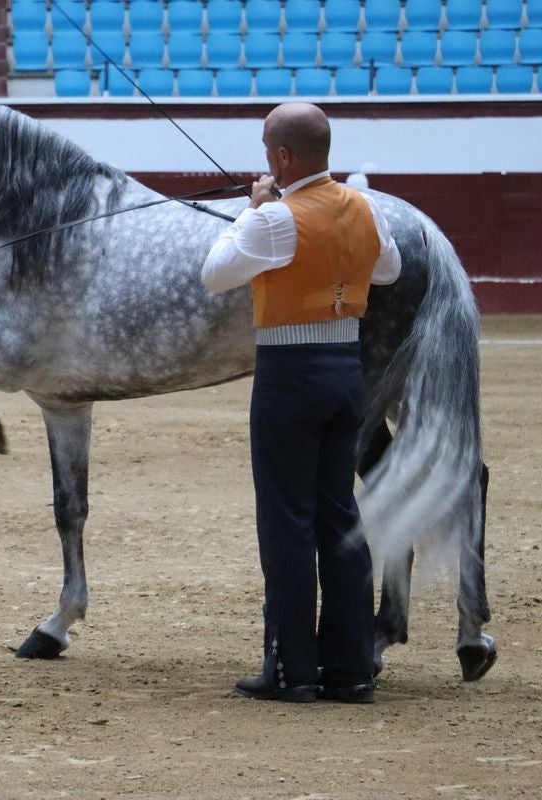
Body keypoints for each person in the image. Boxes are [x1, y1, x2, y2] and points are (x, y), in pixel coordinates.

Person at [201, 102, 402, 704]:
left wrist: (253, 209)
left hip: (289, 375)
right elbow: (387, 271)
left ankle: (293, 670)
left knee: (287, 521)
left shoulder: (274, 220)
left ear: (282, 157)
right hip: (346, 372)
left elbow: (215, 273)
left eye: (269, 152)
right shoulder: (363, 207)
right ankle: (352, 668)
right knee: (339, 513)